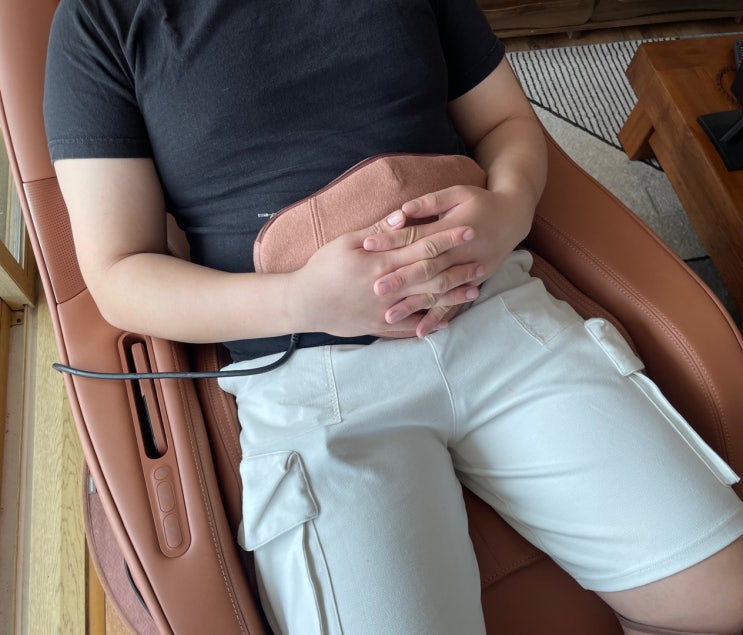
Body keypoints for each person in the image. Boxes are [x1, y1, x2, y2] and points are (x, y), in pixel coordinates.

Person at [43, 1, 743, 633]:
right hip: (313, 382)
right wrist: (304, 299)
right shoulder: (101, 21)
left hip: (492, 306)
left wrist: (508, 208)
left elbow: (504, 122)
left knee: (723, 601)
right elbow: (119, 273)